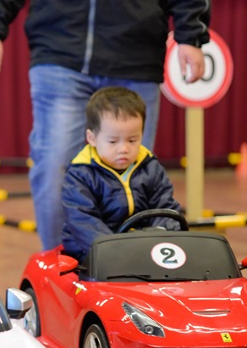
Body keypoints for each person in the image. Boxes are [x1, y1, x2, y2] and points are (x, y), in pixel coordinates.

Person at [0, 0, 210, 251]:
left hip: (136, 56)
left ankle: (127, 264)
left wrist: (191, 34)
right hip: (60, 51)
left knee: (136, 173)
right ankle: (61, 267)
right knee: (54, 170)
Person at [61, 86, 182, 263]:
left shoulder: (150, 167)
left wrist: (163, 236)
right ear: (92, 138)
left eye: (133, 140)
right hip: (93, 250)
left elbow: (164, 207)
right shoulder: (80, 174)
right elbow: (83, 221)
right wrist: (113, 249)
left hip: (140, 246)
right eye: (113, 141)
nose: (124, 149)